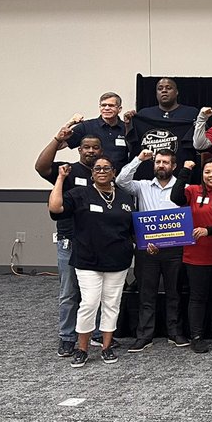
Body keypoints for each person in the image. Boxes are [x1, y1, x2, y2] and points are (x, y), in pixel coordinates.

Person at [48, 156, 135, 367]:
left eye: (107, 167)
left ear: (114, 172)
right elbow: (56, 209)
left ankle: (106, 347)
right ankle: (82, 348)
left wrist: (147, 243)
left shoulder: (125, 197)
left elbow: (133, 230)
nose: (102, 171)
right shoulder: (80, 194)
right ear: (92, 173)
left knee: (112, 304)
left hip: (118, 261)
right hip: (88, 260)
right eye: (98, 168)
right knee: (89, 303)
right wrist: (60, 179)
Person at [35, 128, 102, 357]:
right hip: (70, 239)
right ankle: (67, 337)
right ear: (79, 150)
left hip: (98, 242)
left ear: (101, 150)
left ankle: (97, 334)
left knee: (97, 291)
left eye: (95, 147)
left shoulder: (106, 172)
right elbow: (41, 167)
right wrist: (57, 140)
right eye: (87, 147)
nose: (91, 151)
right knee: (69, 292)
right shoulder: (67, 170)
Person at [116, 148, 185, 351]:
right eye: (157, 162)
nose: (160, 165)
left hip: (175, 248)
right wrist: (139, 159)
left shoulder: (183, 188)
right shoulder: (142, 186)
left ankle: (175, 332)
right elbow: (121, 181)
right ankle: (144, 335)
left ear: (174, 166)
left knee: (174, 292)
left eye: (165, 162)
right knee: (146, 293)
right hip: (148, 249)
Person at [170, 158, 212, 352]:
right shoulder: (193, 191)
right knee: (197, 297)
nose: (211, 175)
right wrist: (185, 170)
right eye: (207, 172)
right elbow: (176, 197)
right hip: (195, 256)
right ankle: (196, 336)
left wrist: (209, 231)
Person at [125, 77, 200, 175]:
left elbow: (200, 144)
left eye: (168, 88)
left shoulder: (191, 113)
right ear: (156, 93)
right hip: (148, 177)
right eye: (160, 89)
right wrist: (128, 124)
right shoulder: (144, 114)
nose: (164, 91)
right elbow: (132, 144)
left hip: (181, 175)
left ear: (176, 92)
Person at [66, 92, 130, 169]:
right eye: (103, 105)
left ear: (119, 109)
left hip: (119, 178)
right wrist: (69, 124)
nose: (106, 108)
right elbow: (60, 144)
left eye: (111, 105)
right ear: (100, 107)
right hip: (92, 177)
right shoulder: (86, 126)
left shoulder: (126, 128)